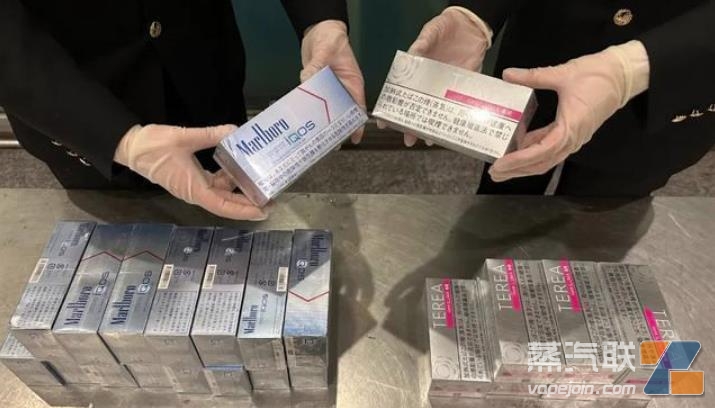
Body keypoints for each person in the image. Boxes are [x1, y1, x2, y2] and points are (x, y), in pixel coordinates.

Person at [0, 0, 365, 219]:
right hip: (79, 106)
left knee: (233, 203)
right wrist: (121, 141)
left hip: (203, 61)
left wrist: (321, 20)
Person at [405, 1, 715, 196]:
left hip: (660, 91)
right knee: (501, 206)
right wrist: (475, 13)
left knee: (601, 234)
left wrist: (630, 70)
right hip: (540, 56)